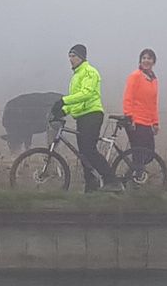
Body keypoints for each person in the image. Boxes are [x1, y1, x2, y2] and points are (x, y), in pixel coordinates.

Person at [52, 44, 121, 193]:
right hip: (82, 117)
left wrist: (64, 101)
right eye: (69, 56)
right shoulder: (76, 75)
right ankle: (91, 186)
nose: (71, 59)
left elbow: (86, 94)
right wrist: (62, 111)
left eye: (74, 56)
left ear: (82, 57)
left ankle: (112, 181)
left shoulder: (90, 72)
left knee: (89, 150)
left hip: (92, 115)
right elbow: (77, 101)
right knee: (83, 154)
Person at [122, 49, 160, 172]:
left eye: (149, 58)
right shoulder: (135, 76)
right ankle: (135, 179)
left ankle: (133, 174)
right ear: (140, 61)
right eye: (144, 58)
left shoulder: (153, 80)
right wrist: (129, 117)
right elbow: (128, 97)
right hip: (136, 120)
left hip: (147, 122)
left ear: (153, 61)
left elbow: (153, 103)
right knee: (138, 153)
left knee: (149, 153)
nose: (146, 60)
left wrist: (155, 122)